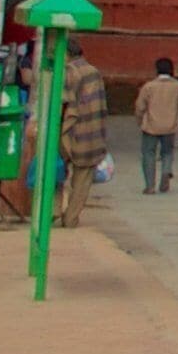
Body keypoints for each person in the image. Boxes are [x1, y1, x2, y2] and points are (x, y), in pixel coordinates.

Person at [57, 42, 110, 223]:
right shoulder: (94, 72)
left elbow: (62, 102)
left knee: (54, 171)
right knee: (82, 181)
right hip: (91, 133)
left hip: (65, 131)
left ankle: (52, 211)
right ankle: (71, 218)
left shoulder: (67, 71)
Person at [137, 60, 178, 195]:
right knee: (167, 152)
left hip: (151, 125)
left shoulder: (149, 86)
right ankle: (166, 171)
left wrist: (140, 121)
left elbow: (140, 107)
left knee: (148, 154)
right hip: (170, 125)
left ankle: (150, 186)